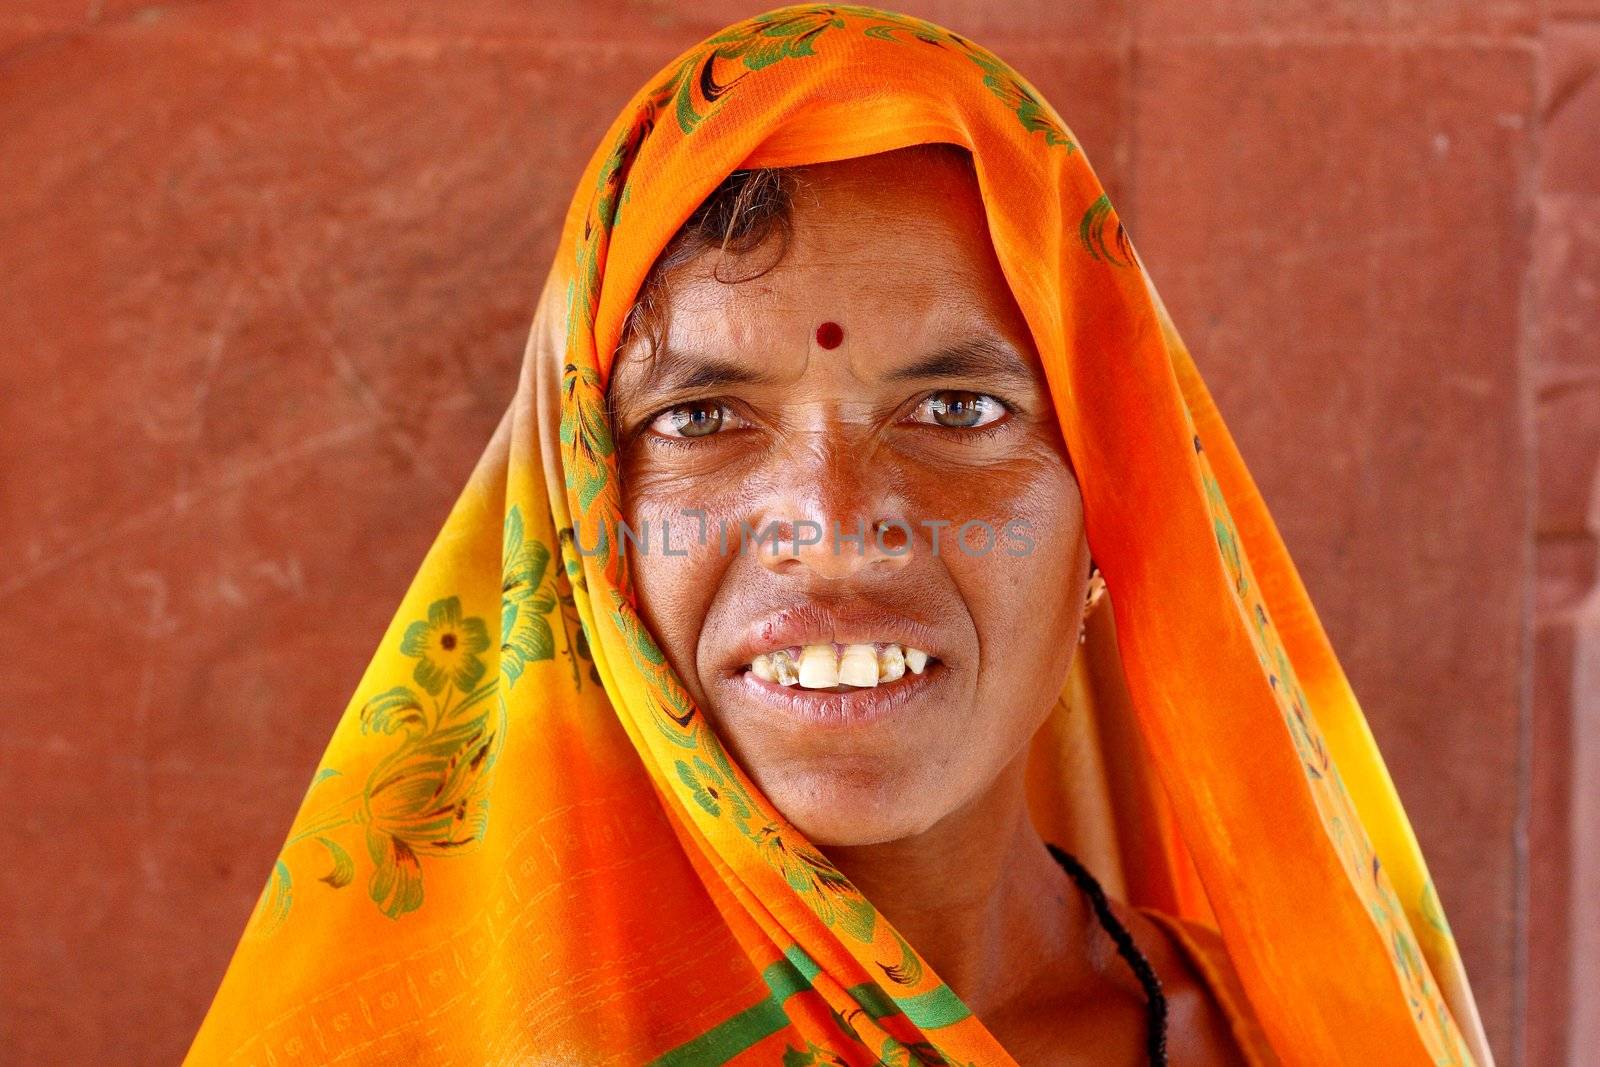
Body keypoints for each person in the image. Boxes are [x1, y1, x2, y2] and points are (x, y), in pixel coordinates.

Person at [184, 6, 1496, 1065]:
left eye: (957, 406)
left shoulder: (1295, 1033)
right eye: (702, 416)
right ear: (588, 533)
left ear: (1111, 505)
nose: (833, 528)